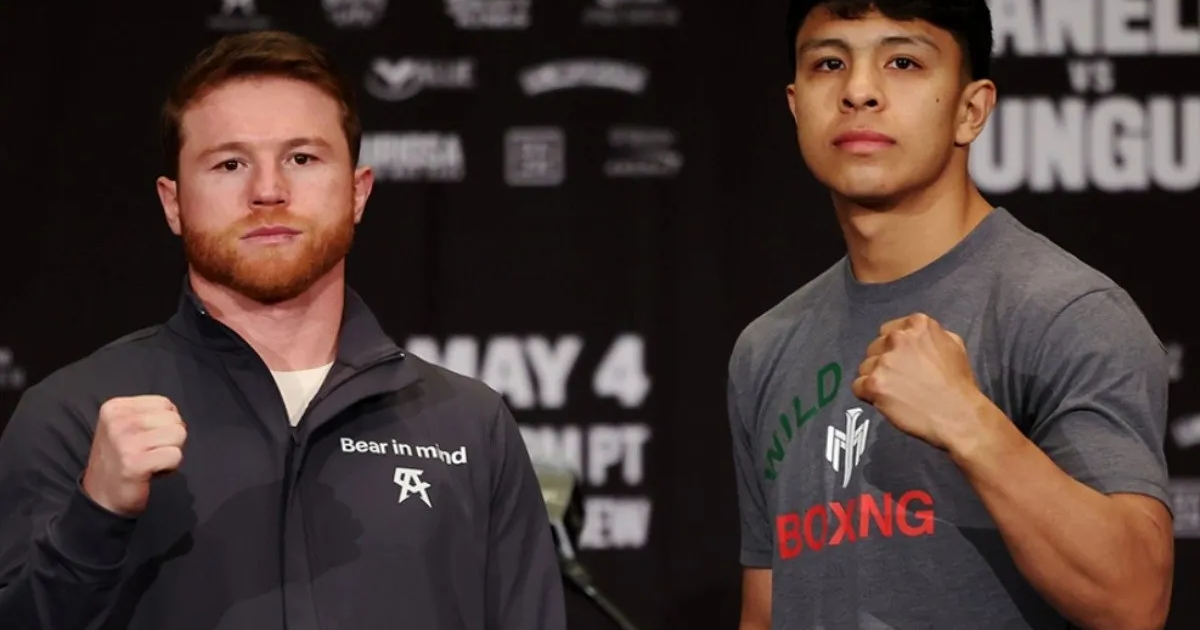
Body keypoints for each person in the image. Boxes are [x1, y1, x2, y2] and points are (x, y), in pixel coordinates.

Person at [0, 30, 566, 630]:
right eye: (230, 164)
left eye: (302, 158)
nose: (268, 191)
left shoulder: (470, 426)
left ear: (357, 192)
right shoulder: (74, 417)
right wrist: (95, 517)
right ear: (173, 204)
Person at [726, 1, 1174, 629]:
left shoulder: (1066, 313)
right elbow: (768, 611)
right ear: (797, 106)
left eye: (903, 62)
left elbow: (1134, 602)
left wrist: (968, 422)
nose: (858, 90)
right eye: (829, 63)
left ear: (972, 110)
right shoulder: (767, 346)